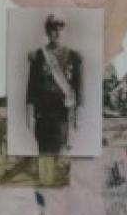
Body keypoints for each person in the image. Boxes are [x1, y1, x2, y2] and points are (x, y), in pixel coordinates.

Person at [23, 13, 83, 154]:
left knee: (60, 155)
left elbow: (78, 87)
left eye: (60, 29)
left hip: (63, 114)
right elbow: (31, 88)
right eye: (53, 29)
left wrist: (78, 115)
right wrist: (30, 115)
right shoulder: (38, 56)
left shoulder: (74, 56)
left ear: (64, 31)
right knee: (44, 153)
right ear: (47, 31)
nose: (57, 32)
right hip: (43, 114)